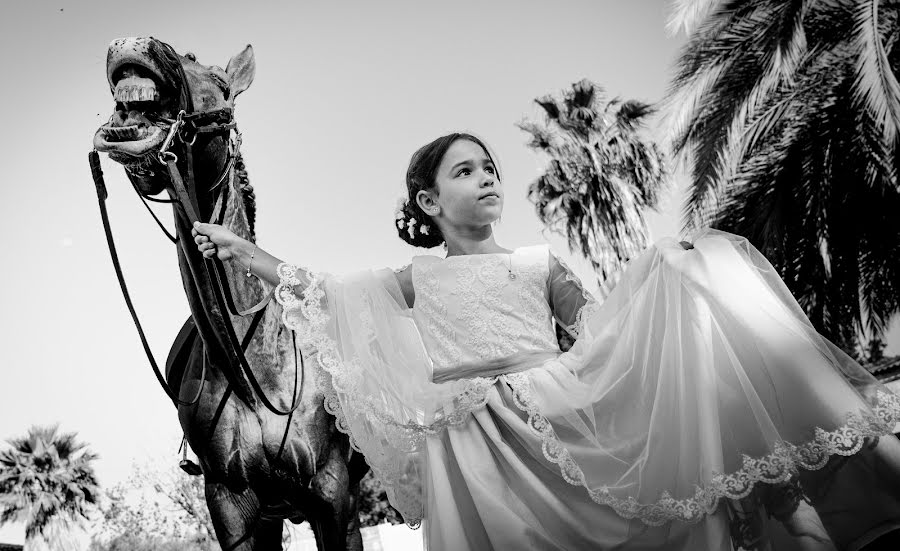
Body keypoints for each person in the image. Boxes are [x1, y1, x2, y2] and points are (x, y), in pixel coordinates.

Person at [192, 132, 900, 550]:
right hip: (472, 443)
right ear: (430, 204)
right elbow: (322, 287)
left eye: (490, 167)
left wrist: (661, 285)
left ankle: (795, 494)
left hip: (551, 414)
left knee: (694, 265)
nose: (486, 177)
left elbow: (599, 331)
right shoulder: (416, 276)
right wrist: (240, 247)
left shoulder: (540, 262)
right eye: (464, 171)